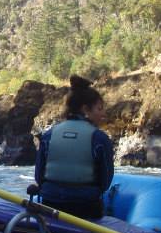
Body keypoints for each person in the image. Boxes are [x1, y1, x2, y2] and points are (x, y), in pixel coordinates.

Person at [33, 75, 114, 220]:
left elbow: (39, 176)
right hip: (86, 207)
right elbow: (105, 182)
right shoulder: (100, 139)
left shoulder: (48, 135)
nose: (103, 113)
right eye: (99, 108)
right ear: (85, 110)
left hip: (51, 204)